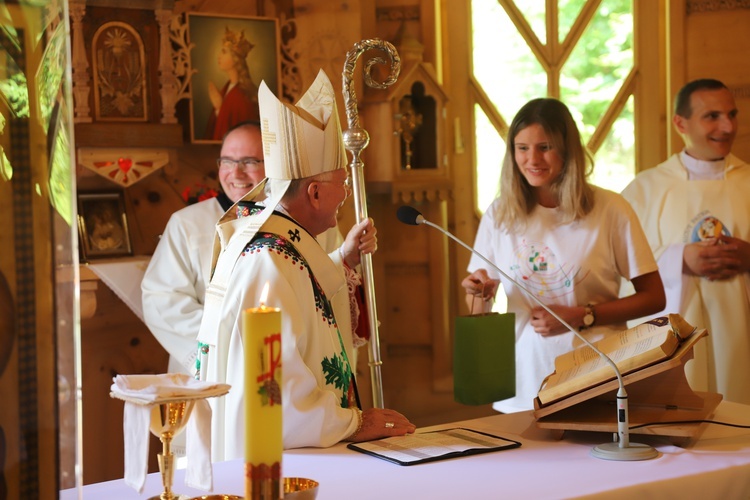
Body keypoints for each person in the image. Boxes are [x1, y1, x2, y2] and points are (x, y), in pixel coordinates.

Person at [197, 69, 415, 461]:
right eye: (341, 183)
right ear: (314, 193)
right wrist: (353, 422)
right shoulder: (267, 258)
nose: (346, 193)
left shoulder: (279, 247)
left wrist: (343, 259)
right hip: (279, 461)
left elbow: (302, 297)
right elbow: (272, 389)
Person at [461, 98, 666, 413]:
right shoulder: (500, 214)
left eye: (544, 147)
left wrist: (584, 315)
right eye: (522, 148)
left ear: (568, 149)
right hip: (524, 378)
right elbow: (478, 305)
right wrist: (479, 293)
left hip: (597, 371)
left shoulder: (611, 209)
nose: (532, 159)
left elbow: (654, 297)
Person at [141, 120, 349, 376]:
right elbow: (162, 300)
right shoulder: (187, 224)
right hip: (212, 369)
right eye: (226, 161)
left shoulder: (308, 220)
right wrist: (233, 341)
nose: (236, 173)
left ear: (275, 165)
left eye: (250, 161)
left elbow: (331, 291)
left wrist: (347, 258)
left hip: (291, 366)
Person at [621, 78, 750, 405]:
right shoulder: (647, 189)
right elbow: (618, 264)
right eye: (712, 116)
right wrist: (678, 258)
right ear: (681, 123)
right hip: (674, 334)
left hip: (742, 332)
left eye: (732, 114)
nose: (727, 126)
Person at [205, 27, 260, 141]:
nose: (219, 56)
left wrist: (220, 109)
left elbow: (241, 132)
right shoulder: (227, 88)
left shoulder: (242, 96)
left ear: (235, 59)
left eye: (224, 52)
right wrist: (218, 109)